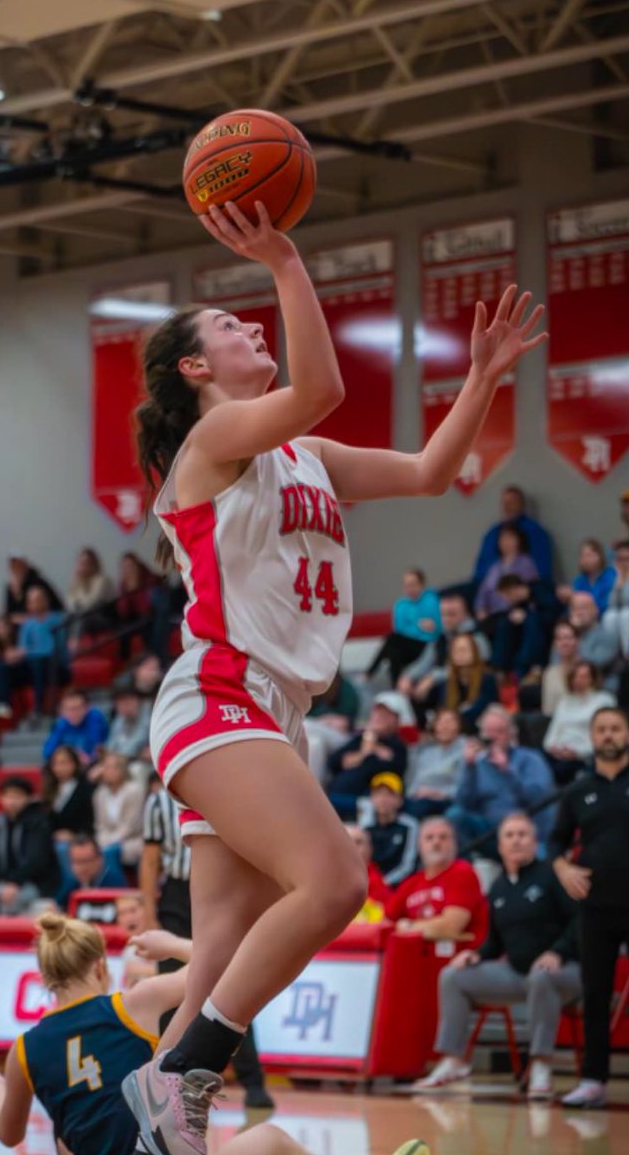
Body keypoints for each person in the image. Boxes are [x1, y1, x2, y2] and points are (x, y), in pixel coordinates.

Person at [125, 194, 546, 1155]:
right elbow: (317, 387)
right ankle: (180, 1074)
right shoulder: (211, 445)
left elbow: (434, 472)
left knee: (222, 943)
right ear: (197, 369)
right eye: (228, 326)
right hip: (221, 694)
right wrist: (284, 259)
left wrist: (478, 380)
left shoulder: (304, 456)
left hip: (277, 710)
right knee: (334, 880)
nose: (251, 327)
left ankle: (143, 1119)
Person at [0, 915, 363, 1155]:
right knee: (269, 1141)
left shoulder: (24, 1049)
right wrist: (172, 945)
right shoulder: (131, 1004)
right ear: (100, 967)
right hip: (157, 1151)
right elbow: (222, 967)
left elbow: (8, 1132)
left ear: (46, 978)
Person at [415, 813, 581, 1100]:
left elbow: (580, 921)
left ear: (535, 841)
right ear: (501, 846)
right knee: (453, 976)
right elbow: (494, 942)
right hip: (519, 974)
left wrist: (558, 952)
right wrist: (476, 955)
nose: (516, 840)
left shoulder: (552, 875)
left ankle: (541, 1065)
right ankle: (454, 1060)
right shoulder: (499, 887)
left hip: (567, 972)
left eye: (522, 834)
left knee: (541, 977)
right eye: (509, 835)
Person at [140, 779, 274, 1109]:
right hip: (176, 897)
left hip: (222, 893)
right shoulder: (158, 802)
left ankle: (252, 1082)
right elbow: (149, 859)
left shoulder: (227, 788)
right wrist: (148, 911)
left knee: (233, 988)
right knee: (175, 993)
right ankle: (169, 1083)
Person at [549, 706, 629, 1108]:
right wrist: (563, 867)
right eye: (602, 730)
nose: (609, 735)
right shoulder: (579, 790)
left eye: (616, 728)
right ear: (593, 737)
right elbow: (554, 842)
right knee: (594, 994)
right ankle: (594, 1079)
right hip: (596, 907)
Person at [448, 705, 556, 856]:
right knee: (454, 815)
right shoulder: (478, 763)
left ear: (511, 733)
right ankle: (468, 865)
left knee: (541, 855)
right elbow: (464, 803)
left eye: (499, 731)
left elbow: (539, 798)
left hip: (525, 828)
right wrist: (470, 769)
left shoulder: (530, 758)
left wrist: (508, 771)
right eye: (488, 732)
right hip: (490, 831)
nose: (493, 738)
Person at [384, 817, 488, 945]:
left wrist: (409, 927)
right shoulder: (411, 882)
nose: (436, 842)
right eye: (429, 838)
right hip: (416, 957)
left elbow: (450, 927)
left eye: (443, 837)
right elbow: (386, 923)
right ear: (419, 845)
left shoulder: (463, 873)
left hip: (459, 959)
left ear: (454, 843)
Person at [0, 776, 60, 915]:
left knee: (9, 903)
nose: (12, 801)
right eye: (8, 796)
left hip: (34, 883)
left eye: (17, 796)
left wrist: (14, 883)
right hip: (4, 882)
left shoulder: (38, 823)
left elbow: (36, 861)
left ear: (28, 798)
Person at [397, 593, 490, 715]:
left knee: (441, 687)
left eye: (452, 614)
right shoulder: (441, 638)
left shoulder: (476, 637)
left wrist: (433, 678)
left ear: (466, 614)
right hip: (440, 684)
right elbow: (424, 662)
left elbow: (476, 666)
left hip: (467, 687)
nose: (447, 619)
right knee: (411, 688)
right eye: (443, 615)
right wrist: (407, 676)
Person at [327, 693, 409, 813]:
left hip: (364, 802)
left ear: (396, 719)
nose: (379, 717)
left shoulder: (397, 745)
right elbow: (333, 762)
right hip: (336, 795)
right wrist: (367, 751)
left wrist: (358, 757)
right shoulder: (360, 739)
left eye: (386, 714)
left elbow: (389, 768)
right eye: (377, 712)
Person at [543, 660, 616, 785]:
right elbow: (552, 732)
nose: (578, 680)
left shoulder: (604, 700)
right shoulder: (564, 702)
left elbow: (605, 737)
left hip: (585, 756)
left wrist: (577, 753)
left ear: (593, 679)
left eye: (584, 676)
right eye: (575, 676)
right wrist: (553, 748)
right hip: (558, 753)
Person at [365, 569, 441, 684]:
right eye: (406, 586)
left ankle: (370, 672)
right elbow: (399, 629)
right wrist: (419, 626)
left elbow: (435, 631)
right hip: (406, 644)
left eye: (413, 585)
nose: (410, 589)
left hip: (426, 646)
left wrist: (413, 628)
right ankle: (396, 687)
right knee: (393, 650)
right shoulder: (401, 605)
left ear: (421, 585)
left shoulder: (432, 600)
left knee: (392, 640)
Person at [473, 485, 553, 584]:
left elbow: (542, 573)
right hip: (487, 586)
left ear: (521, 504)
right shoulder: (492, 533)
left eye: (512, 503)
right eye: (505, 503)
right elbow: (480, 570)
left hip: (519, 586)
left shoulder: (536, 533)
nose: (507, 507)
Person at [488, 574, 560, 681]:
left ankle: (527, 666)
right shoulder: (519, 604)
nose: (508, 599)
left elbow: (552, 615)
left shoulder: (541, 590)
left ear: (515, 588)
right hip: (526, 635)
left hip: (548, 631)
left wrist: (527, 615)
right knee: (505, 623)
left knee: (531, 622)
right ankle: (499, 667)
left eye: (508, 595)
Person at [17, 585, 69, 717]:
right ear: (29, 604)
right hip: (35, 661)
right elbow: (23, 647)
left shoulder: (56, 619)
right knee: (37, 665)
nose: (37, 603)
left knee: (50, 664)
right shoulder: (28, 624)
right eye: (33, 600)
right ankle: (39, 707)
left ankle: (53, 707)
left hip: (54, 659)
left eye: (39, 599)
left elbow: (61, 643)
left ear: (46, 600)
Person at [361, 773, 419, 887]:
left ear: (400, 800)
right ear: (371, 799)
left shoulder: (410, 826)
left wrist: (382, 884)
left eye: (390, 794)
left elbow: (408, 864)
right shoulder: (364, 827)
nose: (383, 799)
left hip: (398, 886)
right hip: (369, 886)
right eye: (378, 794)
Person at [434, 634, 499, 735]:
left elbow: (480, 710)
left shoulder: (487, 679)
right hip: (453, 732)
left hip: (480, 731)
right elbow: (443, 709)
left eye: (464, 650)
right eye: (456, 650)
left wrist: (454, 719)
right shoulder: (446, 683)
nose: (460, 654)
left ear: (474, 652)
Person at [406, 708, 465, 819]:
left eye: (450, 722)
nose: (445, 727)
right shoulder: (425, 752)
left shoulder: (465, 751)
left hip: (446, 801)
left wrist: (436, 793)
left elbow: (463, 786)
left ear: (458, 726)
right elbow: (413, 781)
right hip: (418, 799)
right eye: (441, 722)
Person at [474, 522, 539, 622]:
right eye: (503, 538)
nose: (506, 542)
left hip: (514, 614)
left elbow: (528, 591)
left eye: (510, 538)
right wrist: (481, 609)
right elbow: (483, 592)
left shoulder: (526, 563)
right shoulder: (495, 567)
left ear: (519, 540)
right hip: (493, 614)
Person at [93, 752, 145, 869]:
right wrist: (102, 841)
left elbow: (130, 826)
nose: (105, 771)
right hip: (106, 841)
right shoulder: (99, 794)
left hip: (133, 839)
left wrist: (109, 842)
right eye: (104, 767)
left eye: (110, 767)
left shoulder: (134, 791)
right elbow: (100, 825)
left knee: (110, 852)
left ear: (121, 770)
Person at [44, 745, 95, 863]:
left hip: (80, 840)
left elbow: (90, 819)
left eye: (64, 763)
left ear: (75, 764)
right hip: (52, 839)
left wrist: (74, 836)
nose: (60, 767)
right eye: (56, 763)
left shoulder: (86, 789)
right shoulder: (49, 790)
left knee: (62, 849)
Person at [55, 835, 127, 910]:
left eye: (87, 861)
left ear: (100, 859)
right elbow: (57, 904)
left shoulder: (114, 882)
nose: (82, 867)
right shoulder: (71, 881)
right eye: (77, 862)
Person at [43, 688, 108, 763]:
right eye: (68, 709)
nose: (73, 713)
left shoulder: (95, 718)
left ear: (87, 708)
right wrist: (73, 755)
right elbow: (47, 752)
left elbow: (95, 749)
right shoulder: (61, 723)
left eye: (77, 708)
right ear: (62, 710)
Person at [344, 825, 391, 922]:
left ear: (370, 849)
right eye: (347, 841)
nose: (353, 846)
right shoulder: (325, 878)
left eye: (358, 842)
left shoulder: (378, 882)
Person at [558, 539, 617, 616]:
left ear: (600, 556)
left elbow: (606, 605)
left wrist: (575, 596)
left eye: (589, 555)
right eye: (582, 556)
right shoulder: (579, 580)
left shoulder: (611, 575)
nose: (586, 560)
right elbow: (571, 610)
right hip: (581, 620)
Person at [568, 591, 620, 676]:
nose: (579, 613)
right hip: (569, 685)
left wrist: (575, 634)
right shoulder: (564, 636)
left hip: (602, 685)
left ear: (596, 610)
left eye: (584, 608)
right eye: (575, 609)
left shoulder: (608, 634)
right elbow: (556, 663)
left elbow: (594, 666)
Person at [66, 547, 115, 636]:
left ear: (93, 564)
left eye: (85, 563)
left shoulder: (102, 580)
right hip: (85, 616)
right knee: (67, 618)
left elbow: (91, 604)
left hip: (105, 618)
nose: (82, 566)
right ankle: (68, 647)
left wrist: (78, 602)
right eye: (80, 563)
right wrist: (77, 582)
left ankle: (76, 647)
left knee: (83, 618)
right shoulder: (77, 582)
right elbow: (69, 604)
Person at [4, 553, 63, 621]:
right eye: (13, 566)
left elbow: (53, 609)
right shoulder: (10, 587)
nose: (16, 569)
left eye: (18, 565)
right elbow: (8, 614)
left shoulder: (38, 582)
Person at [106, 687, 153, 761]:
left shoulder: (148, 713)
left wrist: (116, 756)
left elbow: (136, 744)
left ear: (137, 700)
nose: (124, 706)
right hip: (123, 760)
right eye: (119, 702)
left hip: (144, 761)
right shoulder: (120, 718)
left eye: (127, 701)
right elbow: (111, 745)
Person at [603, 539, 629, 659]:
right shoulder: (612, 575)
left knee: (626, 614)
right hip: (618, 617)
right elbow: (611, 604)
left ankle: (627, 656)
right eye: (620, 559)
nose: (624, 563)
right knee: (609, 616)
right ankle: (611, 657)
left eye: (627, 558)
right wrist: (619, 582)